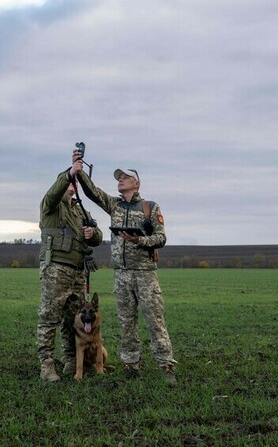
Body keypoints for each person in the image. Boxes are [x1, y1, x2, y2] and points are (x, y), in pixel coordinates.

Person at [71, 150, 178, 385]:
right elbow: (93, 192)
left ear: (136, 183)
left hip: (145, 275)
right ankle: (131, 365)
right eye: (118, 177)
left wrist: (140, 240)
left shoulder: (150, 207)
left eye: (125, 177)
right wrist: (78, 170)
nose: (120, 179)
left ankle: (166, 366)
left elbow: (161, 238)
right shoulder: (115, 205)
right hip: (121, 275)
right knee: (126, 323)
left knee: (155, 322)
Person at [37, 166, 103, 382]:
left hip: (77, 271)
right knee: (49, 317)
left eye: (75, 185)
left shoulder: (80, 210)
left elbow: (98, 236)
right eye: (69, 183)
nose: (72, 188)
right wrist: (69, 174)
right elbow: (54, 192)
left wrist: (93, 233)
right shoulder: (51, 205)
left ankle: (71, 361)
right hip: (56, 269)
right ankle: (47, 365)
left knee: (72, 319)